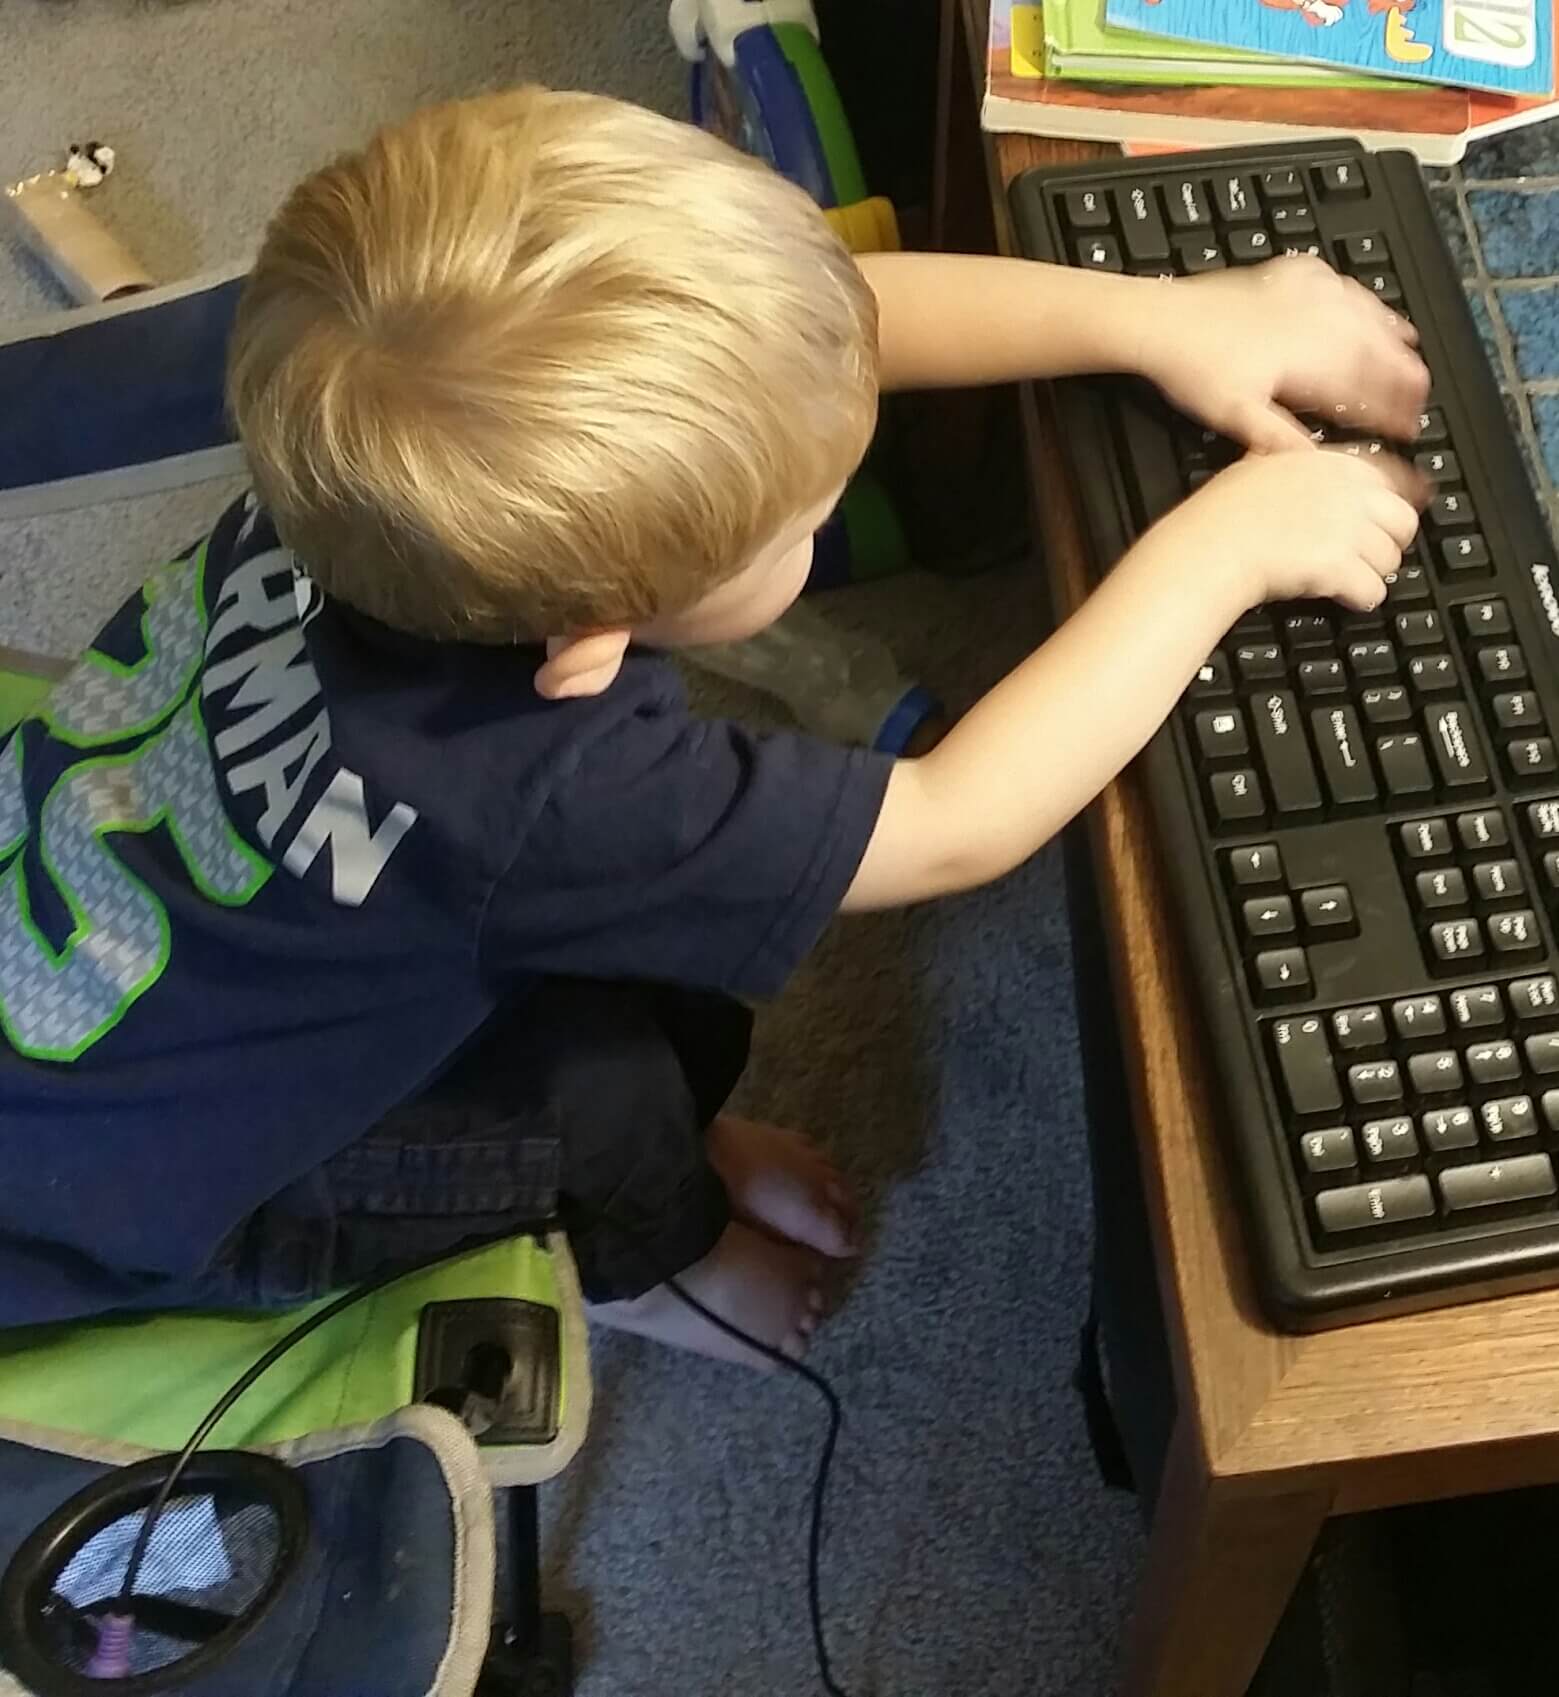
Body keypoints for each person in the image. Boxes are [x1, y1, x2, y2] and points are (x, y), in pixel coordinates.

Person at [0, 89, 1427, 1365]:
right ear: (599, 633)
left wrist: (1174, 315)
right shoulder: (561, 786)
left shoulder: (362, 466)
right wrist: (1227, 547)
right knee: (610, 1090)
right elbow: (951, 825)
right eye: (805, 518)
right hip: (141, 1202)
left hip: (114, 992)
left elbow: (821, 339)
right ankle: (651, 1267)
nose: (836, 475)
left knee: (626, 991)